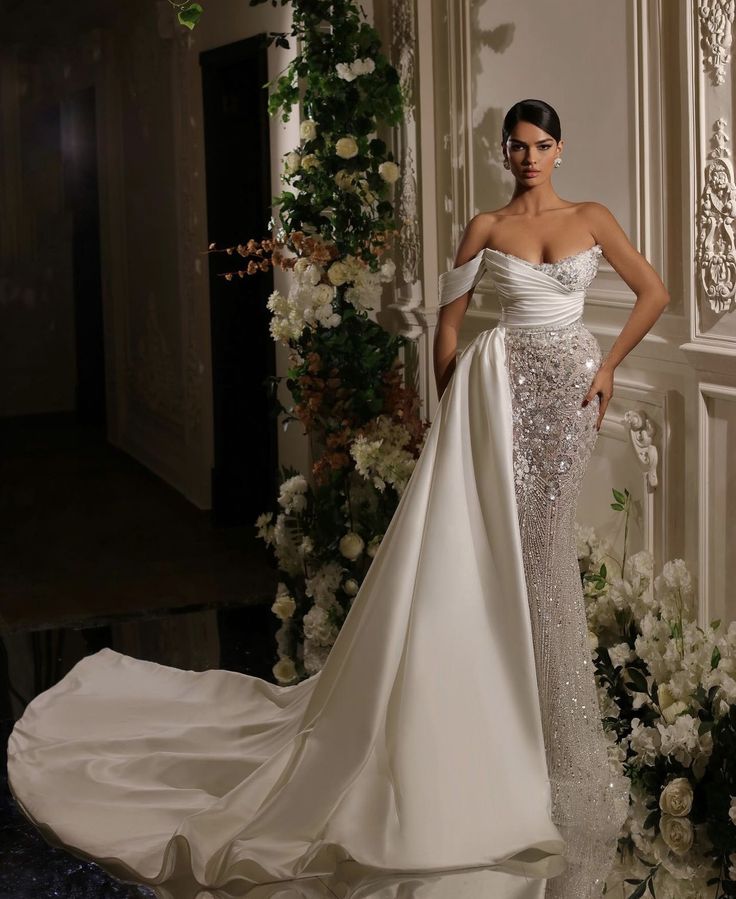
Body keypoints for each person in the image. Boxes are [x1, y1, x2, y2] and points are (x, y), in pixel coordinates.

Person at [6, 99, 668, 899]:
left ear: (560, 147)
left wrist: (608, 367)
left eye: (541, 144)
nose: (529, 156)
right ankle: (524, 751)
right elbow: (446, 329)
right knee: (514, 562)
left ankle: (566, 759)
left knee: (549, 561)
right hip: (497, 403)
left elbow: (653, 293)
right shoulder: (485, 227)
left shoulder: (593, 215)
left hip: (566, 404)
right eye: (517, 146)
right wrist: (454, 411)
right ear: (504, 152)